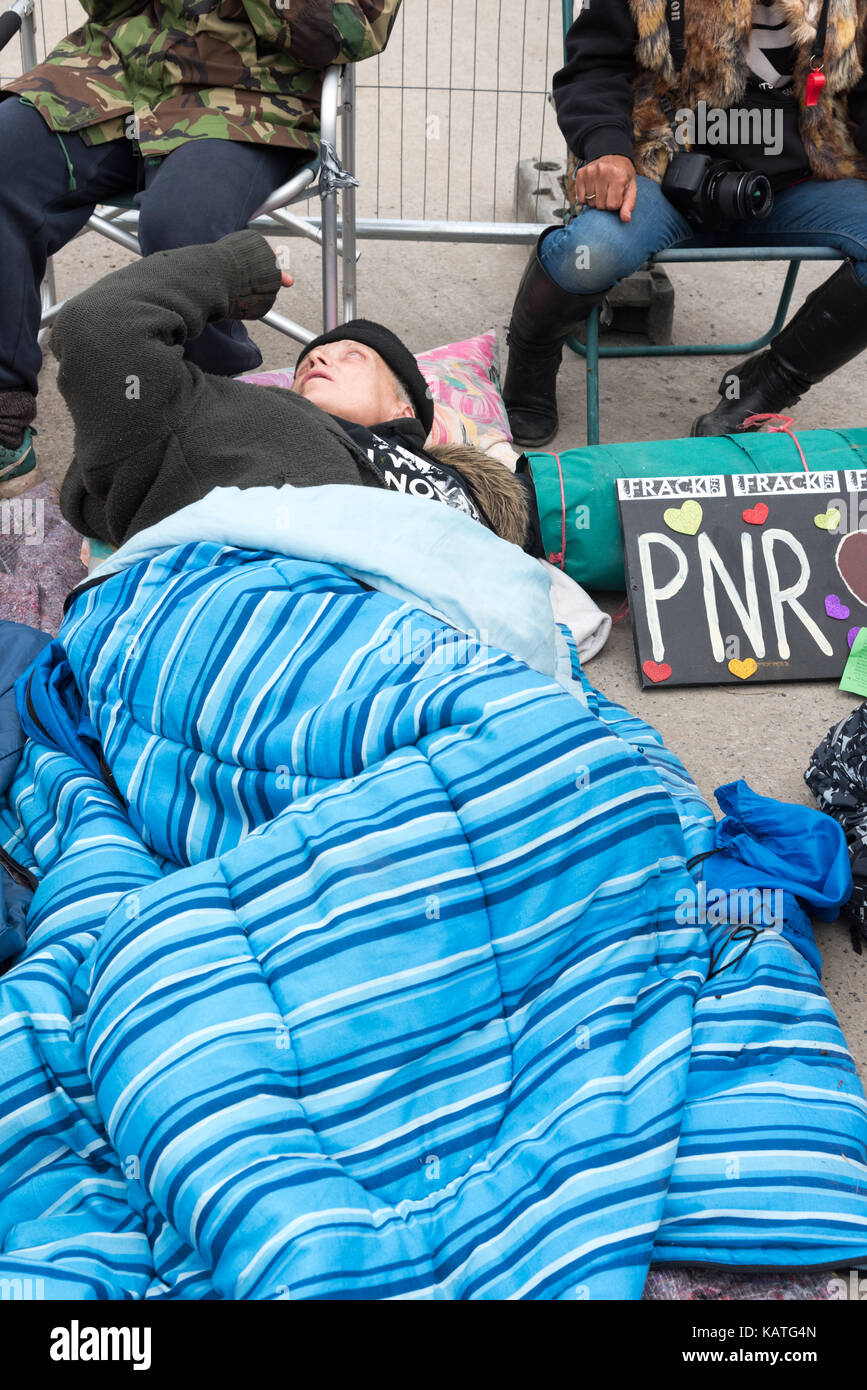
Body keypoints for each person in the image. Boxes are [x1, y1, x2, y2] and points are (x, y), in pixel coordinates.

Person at [0, 0, 403, 484]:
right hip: (109, 76)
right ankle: (5, 413)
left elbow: (349, 30)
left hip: (243, 97)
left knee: (182, 225)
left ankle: (208, 414)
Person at [503, 0, 867, 447]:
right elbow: (594, 66)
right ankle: (532, 358)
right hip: (663, 168)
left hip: (793, 183)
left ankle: (767, 386)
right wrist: (605, 149)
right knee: (593, 252)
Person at [51, 229, 542, 556]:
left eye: (353, 356)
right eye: (307, 362)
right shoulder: (226, 414)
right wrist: (236, 269)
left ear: (404, 406)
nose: (320, 358)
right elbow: (99, 327)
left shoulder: (471, 487)